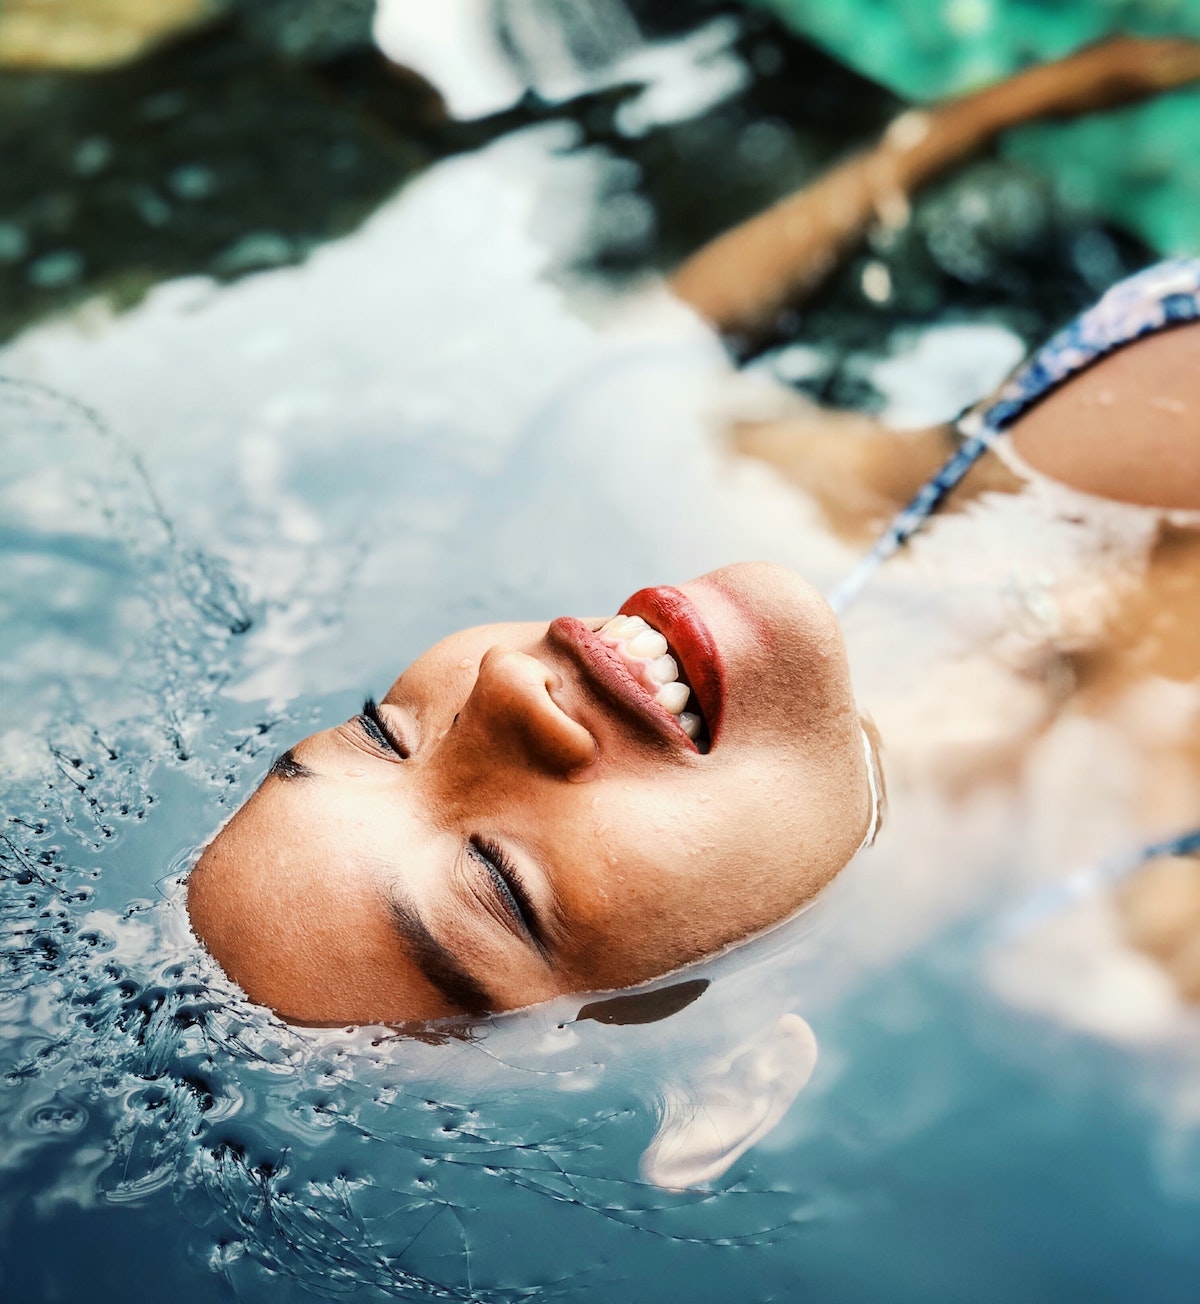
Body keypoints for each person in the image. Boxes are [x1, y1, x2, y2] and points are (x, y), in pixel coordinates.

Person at [187, 38, 1200, 1028]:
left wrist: (991, 113)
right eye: (496, 881)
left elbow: (671, 328)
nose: (500, 681)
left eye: (380, 732)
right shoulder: (1150, 936)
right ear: (739, 1079)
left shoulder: (726, 491)